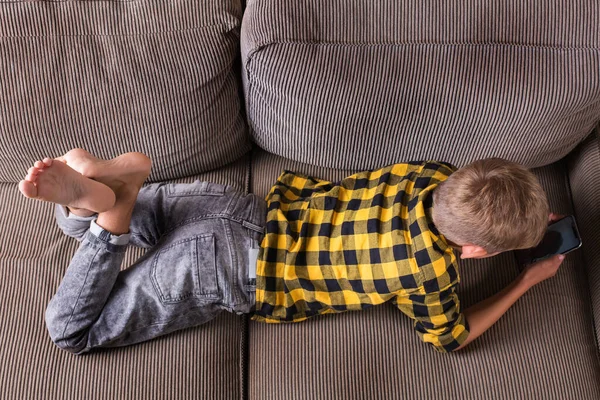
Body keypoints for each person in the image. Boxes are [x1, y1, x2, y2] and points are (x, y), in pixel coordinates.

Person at [18, 149, 565, 354]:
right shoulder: (430, 272)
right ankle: (111, 218)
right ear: (472, 249)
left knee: (76, 223)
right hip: (234, 268)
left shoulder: (436, 177)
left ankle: (103, 192)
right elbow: (455, 336)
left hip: (237, 208)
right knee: (70, 330)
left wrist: (526, 218)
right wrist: (526, 280)